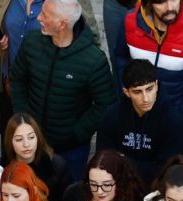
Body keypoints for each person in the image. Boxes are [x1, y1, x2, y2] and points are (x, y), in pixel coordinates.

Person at [6, 0, 115, 179]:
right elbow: (18, 78)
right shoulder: (32, 42)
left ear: (62, 24)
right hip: (31, 145)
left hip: (70, 151)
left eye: (45, 15)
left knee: (66, 197)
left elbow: (105, 103)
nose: (38, 18)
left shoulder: (93, 61)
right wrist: (23, 116)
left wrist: (76, 133)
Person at [114, 0, 183, 118]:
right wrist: (127, 92)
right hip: (136, 115)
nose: (170, 7)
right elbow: (120, 56)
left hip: (179, 119)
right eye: (161, 1)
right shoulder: (129, 22)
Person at [94, 60, 183, 185]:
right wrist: (147, 167)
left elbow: (168, 171)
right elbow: (104, 161)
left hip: (156, 189)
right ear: (126, 92)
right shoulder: (111, 116)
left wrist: (124, 160)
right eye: (137, 92)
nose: (145, 98)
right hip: (119, 186)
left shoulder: (173, 121)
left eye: (149, 89)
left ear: (157, 85)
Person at [0, 114, 72, 201]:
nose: (26, 144)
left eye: (31, 137)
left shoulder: (57, 166)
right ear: (10, 142)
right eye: (19, 139)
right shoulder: (0, 168)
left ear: (38, 137)